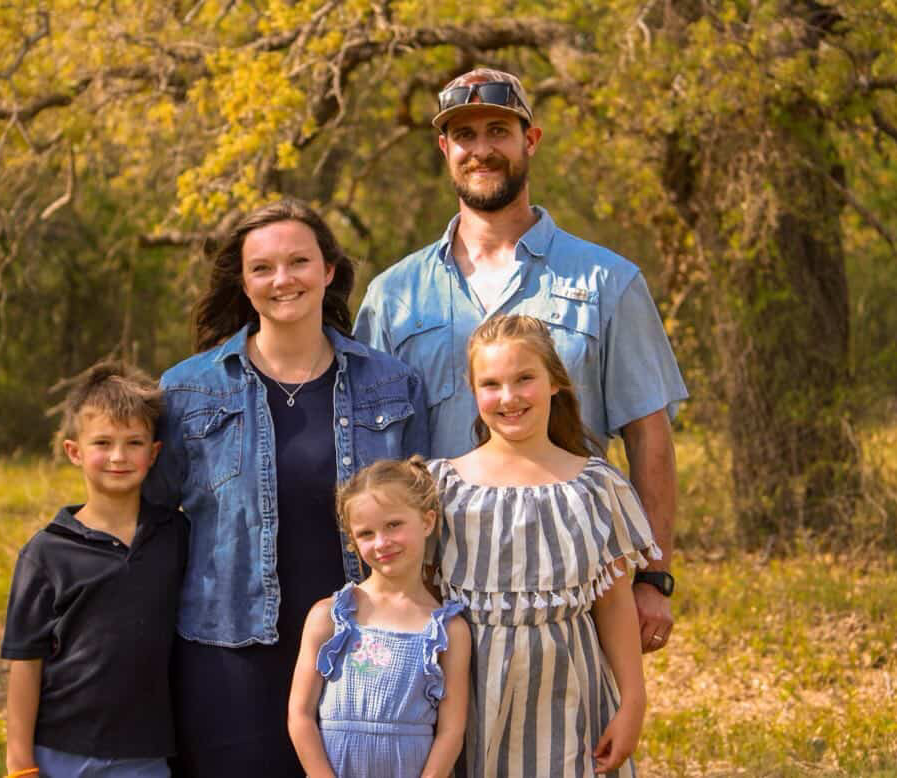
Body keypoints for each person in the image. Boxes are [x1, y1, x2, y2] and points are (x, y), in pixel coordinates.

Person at [353, 68, 687, 654]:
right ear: (444, 149)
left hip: (572, 592)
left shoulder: (607, 281)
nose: (481, 149)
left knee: (569, 744)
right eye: (464, 135)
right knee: (440, 748)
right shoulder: (394, 295)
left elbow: (649, 435)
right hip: (430, 590)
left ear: (529, 141)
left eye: (498, 131)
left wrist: (653, 576)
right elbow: (363, 449)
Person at [143, 199, 430, 777]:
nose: (283, 279)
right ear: (243, 283)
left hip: (364, 650)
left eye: (299, 261)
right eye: (262, 268)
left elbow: (425, 511)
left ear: (328, 271)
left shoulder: (393, 385)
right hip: (227, 654)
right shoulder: (186, 391)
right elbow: (150, 519)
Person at [429, 315, 659, 777]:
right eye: (490, 384)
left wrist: (632, 700)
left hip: (570, 698)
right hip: (469, 698)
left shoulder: (594, 485)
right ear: (473, 392)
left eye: (524, 379)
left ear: (554, 381)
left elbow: (612, 603)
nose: (509, 397)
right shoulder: (442, 488)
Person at [1, 362, 188, 778]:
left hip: (146, 753)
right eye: (103, 442)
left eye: (134, 442)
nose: (119, 457)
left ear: (154, 452)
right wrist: (19, 763)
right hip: (61, 750)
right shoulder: (46, 552)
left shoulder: (176, 536)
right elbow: (25, 664)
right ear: (75, 451)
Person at [287, 457, 470, 778]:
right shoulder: (329, 616)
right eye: (366, 533)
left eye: (394, 525)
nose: (382, 543)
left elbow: (451, 731)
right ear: (352, 541)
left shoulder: (449, 629)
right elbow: (300, 716)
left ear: (427, 522)